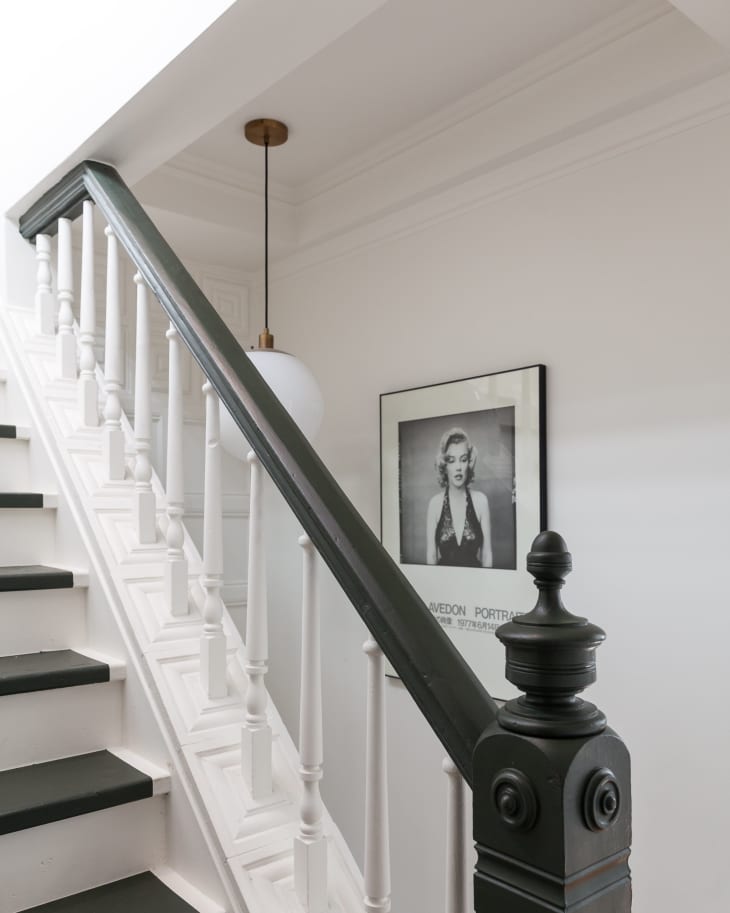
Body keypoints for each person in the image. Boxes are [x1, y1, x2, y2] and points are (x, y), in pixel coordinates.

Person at [426, 428, 492, 567]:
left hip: (477, 583)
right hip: (443, 583)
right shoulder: (435, 504)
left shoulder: (481, 501)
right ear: (444, 465)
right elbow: (431, 556)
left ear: (469, 462)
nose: (458, 467)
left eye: (463, 460)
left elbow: (487, 555)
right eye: (451, 461)